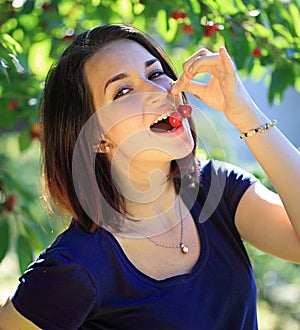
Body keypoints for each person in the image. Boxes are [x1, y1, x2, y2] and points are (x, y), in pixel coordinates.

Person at [0, 23, 299, 330]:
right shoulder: (77, 266)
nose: (158, 92)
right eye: (123, 91)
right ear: (94, 136)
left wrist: (243, 112)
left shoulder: (217, 190)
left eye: (155, 74)